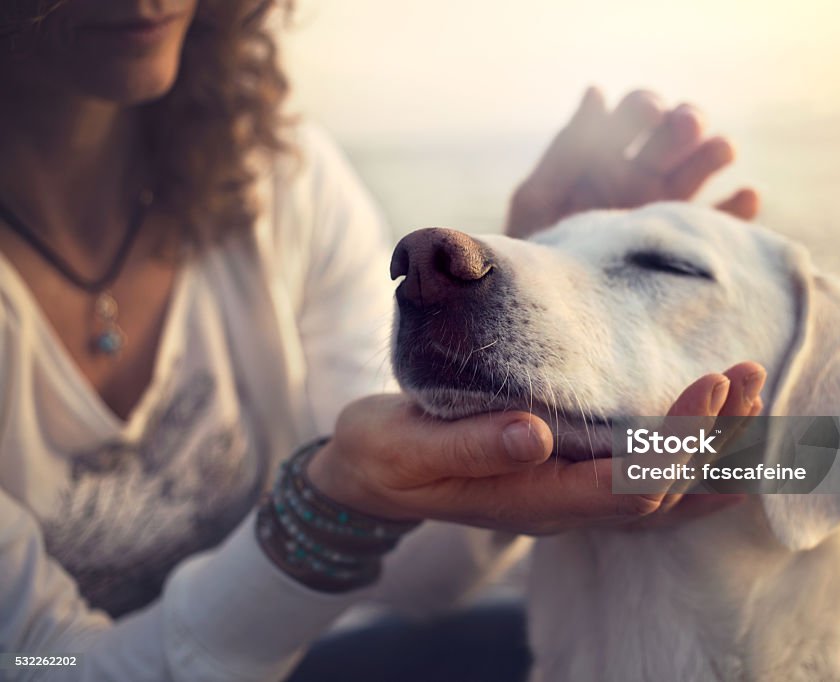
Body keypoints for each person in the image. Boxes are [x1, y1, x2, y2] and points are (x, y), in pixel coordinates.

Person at [0, 1, 766, 680]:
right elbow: (39, 661)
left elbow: (422, 576)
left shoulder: (275, 178)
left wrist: (535, 300)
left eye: (663, 263)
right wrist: (330, 504)